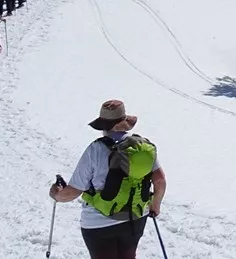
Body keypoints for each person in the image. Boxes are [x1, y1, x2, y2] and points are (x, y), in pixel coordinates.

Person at [48, 100, 166, 259]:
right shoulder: (142, 147)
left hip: (99, 224)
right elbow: (159, 181)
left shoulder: (96, 149)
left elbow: (73, 192)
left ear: (103, 126)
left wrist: (57, 195)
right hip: (135, 217)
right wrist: (155, 206)